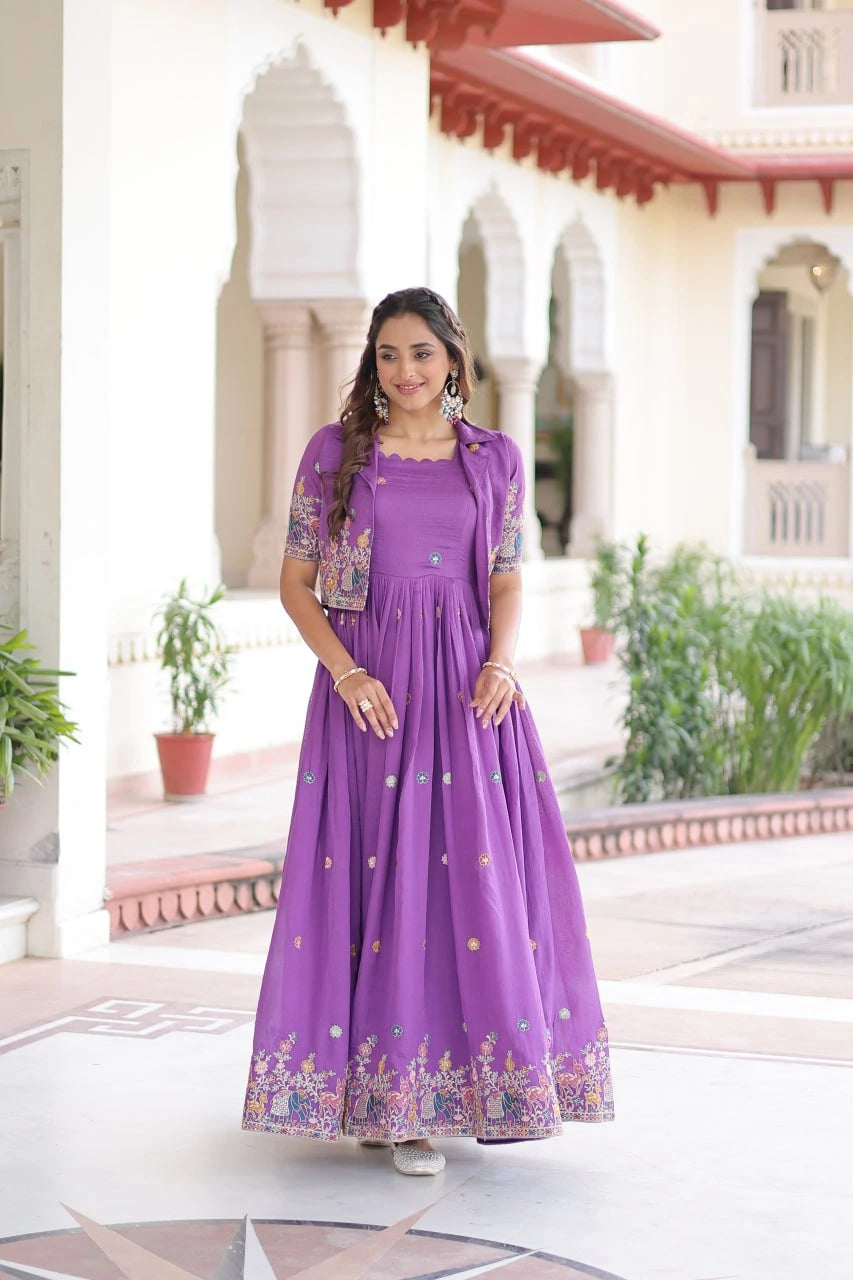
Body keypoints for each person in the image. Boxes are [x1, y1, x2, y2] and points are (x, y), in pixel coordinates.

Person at [242, 287, 614, 1176]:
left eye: (420, 354)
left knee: (466, 892)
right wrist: (346, 671)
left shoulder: (493, 460)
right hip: (369, 698)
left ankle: (449, 1094)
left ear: (453, 359)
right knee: (381, 885)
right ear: (370, 363)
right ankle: (385, 1101)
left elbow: (507, 579)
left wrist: (503, 662)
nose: (404, 372)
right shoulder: (336, 457)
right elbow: (298, 583)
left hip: (464, 697)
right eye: (386, 355)